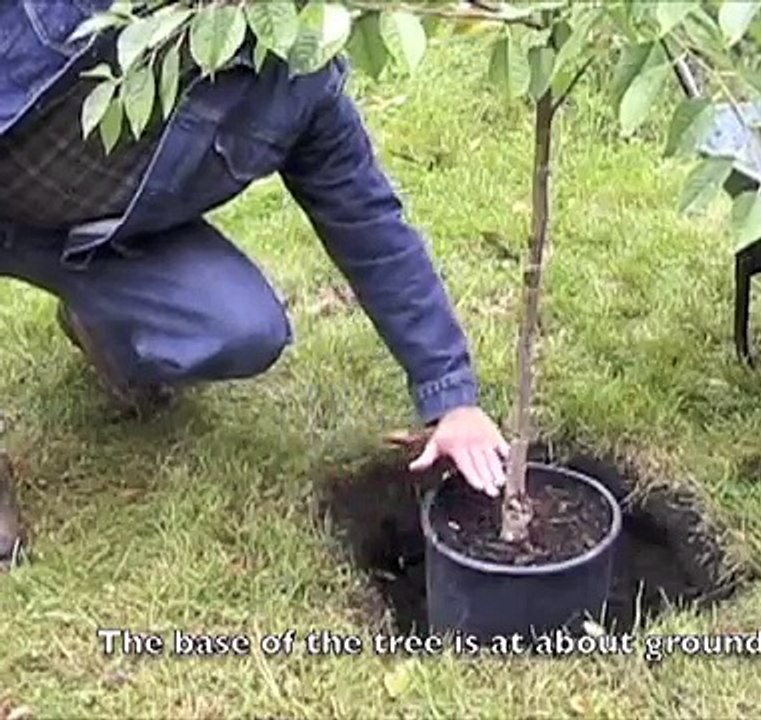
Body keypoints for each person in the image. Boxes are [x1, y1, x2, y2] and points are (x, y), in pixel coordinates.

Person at [0, 1, 510, 565]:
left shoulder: (297, 78)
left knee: (240, 327)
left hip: (87, 234)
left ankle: (101, 317)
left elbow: (369, 223)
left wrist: (452, 395)